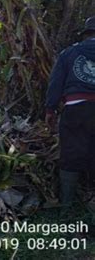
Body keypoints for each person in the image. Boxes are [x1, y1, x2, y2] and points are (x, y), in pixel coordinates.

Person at [45, 16, 95, 206]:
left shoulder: (70, 53)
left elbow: (55, 83)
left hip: (76, 107)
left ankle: (67, 205)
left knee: (71, 152)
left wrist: (50, 109)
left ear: (86, 35)